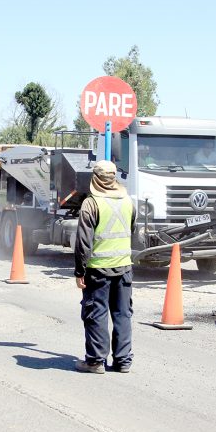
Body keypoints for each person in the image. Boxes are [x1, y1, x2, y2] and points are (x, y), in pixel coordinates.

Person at [74, 160, 136, 373]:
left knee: (96, 313)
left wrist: (79, 271)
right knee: (122, 314)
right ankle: (123, 361)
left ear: (95, 178)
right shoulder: (128, 201)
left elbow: (83, 242)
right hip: (124, 267)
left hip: (98, 268)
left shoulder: (91, 204)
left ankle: (96, 361)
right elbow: (132, 229)